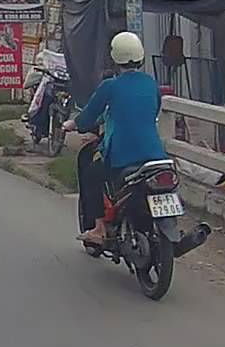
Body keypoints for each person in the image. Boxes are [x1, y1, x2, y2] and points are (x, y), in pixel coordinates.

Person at [62, 32, 166, 244]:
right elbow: (153, 110)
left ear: (114, 57)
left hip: (122, 156)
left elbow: (88, 115)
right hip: (155, 154)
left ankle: (99, 228)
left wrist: (71, 124)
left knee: (91, 175)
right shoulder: (150, 83)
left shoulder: (110, 86)